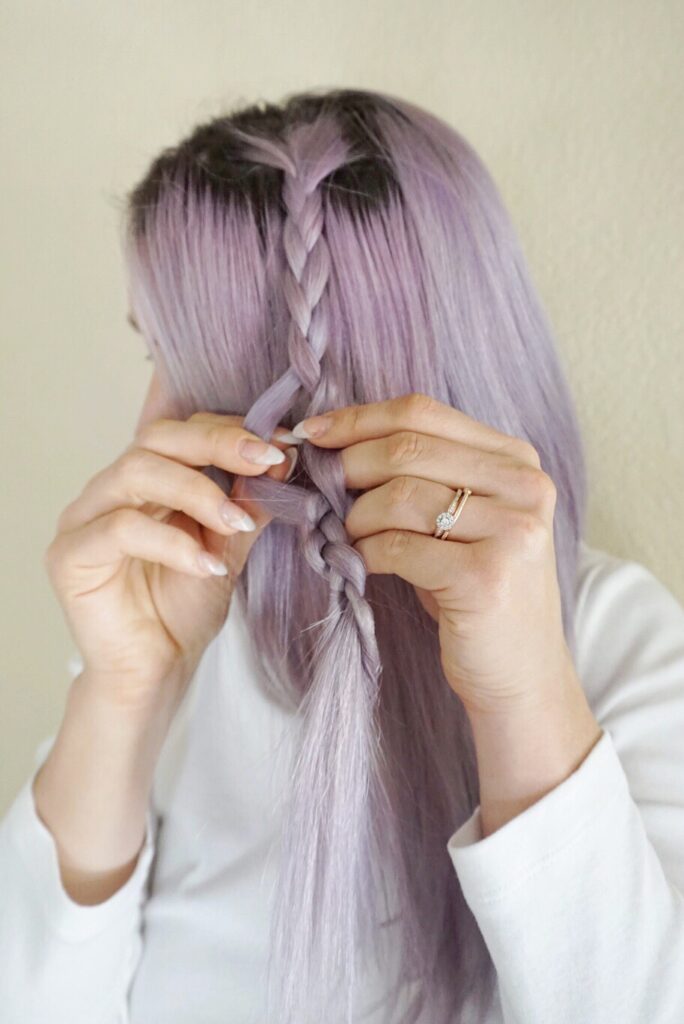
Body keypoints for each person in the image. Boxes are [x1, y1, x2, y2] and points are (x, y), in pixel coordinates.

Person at [1, 87, 683, 1024]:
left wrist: (522, 700)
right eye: (149, 353)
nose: (146, 424)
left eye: (180, 358)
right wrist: (126, 692)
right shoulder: (182, 635)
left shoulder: (617, 648)